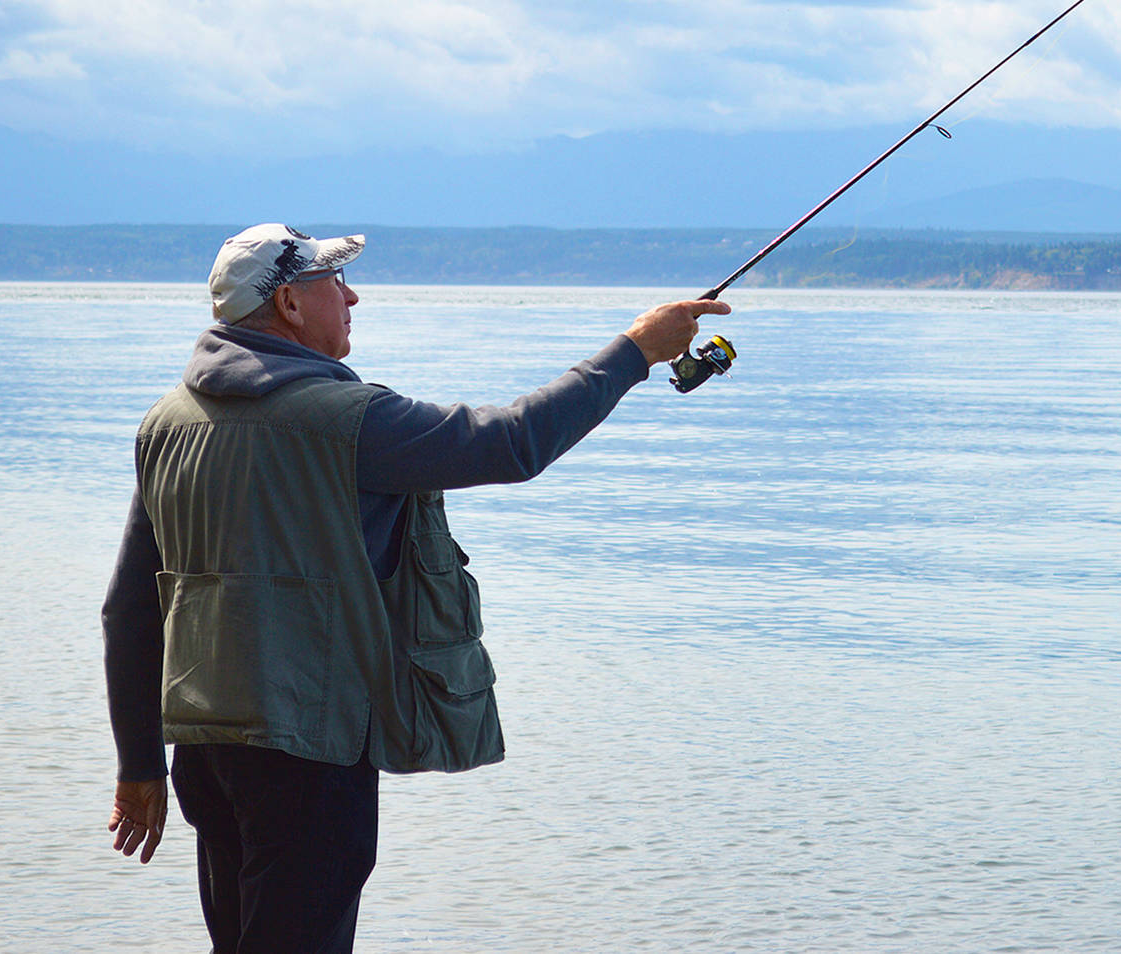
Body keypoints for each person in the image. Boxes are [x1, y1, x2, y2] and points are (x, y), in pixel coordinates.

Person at [101, 223, 728, 953]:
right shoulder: (346, 421)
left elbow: (129, 610)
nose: (353, 295)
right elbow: (511, 442)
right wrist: (635, 352)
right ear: (291, 308)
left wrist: (139, 764)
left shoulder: (168, 424)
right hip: (311, 748)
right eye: (333, 282)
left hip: (205, 753)